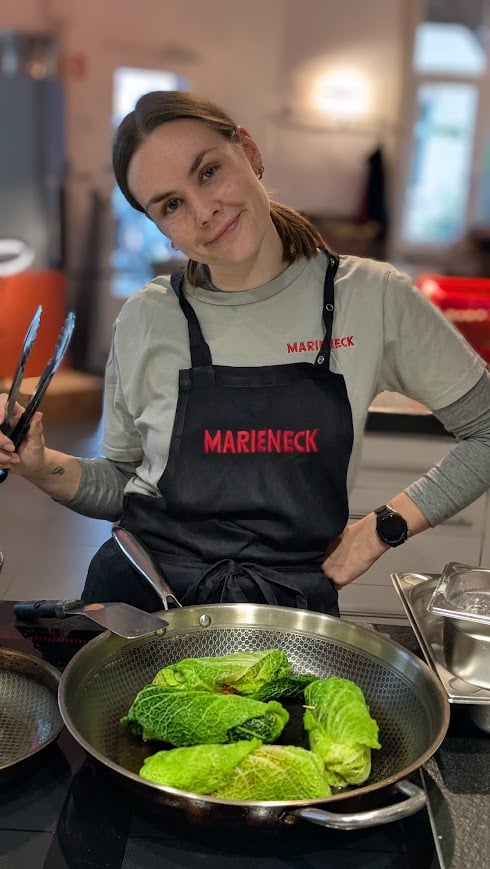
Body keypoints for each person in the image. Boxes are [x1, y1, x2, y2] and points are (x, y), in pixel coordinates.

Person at [1, 90, 489, 616]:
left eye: (208, 172)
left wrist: (383, 526)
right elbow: (122, 484)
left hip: (287, 614)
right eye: (171, 205)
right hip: (142, 600)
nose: (204, 211)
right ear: (158, 227)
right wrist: (40, 464)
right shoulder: (147, 317)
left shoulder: (371, 297)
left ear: (249, 152)